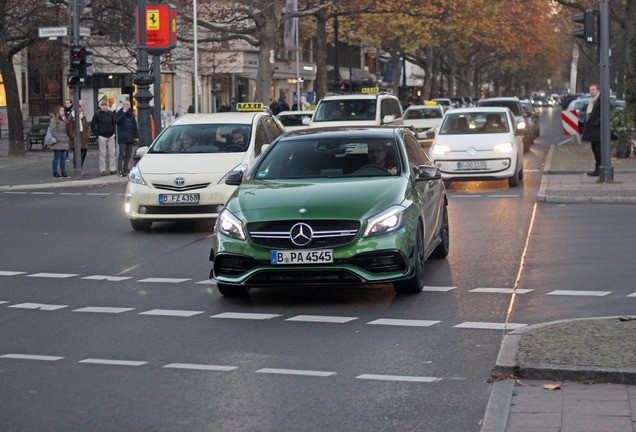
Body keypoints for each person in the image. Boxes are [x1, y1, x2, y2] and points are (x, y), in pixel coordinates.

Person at [92, 100, 117, 175]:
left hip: (110, 135)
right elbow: (93, 126)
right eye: (103, 105)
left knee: (112, 153)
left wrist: (113, 132)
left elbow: (114, 123)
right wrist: (97, 135)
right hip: (102, 136)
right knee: (103, 154)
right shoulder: (97, 114)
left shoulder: (111, 114)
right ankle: (102, 169)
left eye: (105, 105)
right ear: (100, 106)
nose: (104, 107)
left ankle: (113, 169)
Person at [115, 100, 139, 176]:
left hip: (130, 137)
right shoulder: (119, 113)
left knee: (128, 154)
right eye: (124, 104)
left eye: (127, 104)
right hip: (122, 137)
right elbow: (117, 121)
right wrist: (123, 113)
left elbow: (134, 126)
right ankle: (119, 170)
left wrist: (136, 136)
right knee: (121, 154)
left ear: (130, 106)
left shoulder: (131, 114)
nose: (125, 105)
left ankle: (126, 170)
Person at [66, 100, 90, 177]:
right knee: (77, 155)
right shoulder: (71, 117)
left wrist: (87, 135)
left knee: (83, 153)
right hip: (76, 138)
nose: (80, 110)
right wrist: (74, 137)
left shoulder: (83, 116)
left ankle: (81, 167)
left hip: (83, 138)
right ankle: (77, 169)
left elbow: (86, 126)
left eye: (81, 108)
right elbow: (69, 128)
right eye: (79, 108)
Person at [582, 83, 601, 177]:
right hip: (592, 129)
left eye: (593, 89)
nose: (591, 92)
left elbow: (603, 114)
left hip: (598, 130)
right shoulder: (592, 101)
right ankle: (597, 168)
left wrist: (596, 123)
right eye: (590, 90)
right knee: (594, 149)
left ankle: (599, 169)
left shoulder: (600, 100)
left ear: (598, 90)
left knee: (598, 149)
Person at [48, 106, 70, 179]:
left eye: (63, 110)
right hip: (58, 141)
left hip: (64, 140)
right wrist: (58, 138)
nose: (63, 112)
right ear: (58, 111)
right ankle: (55, 172)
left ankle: (63, 171)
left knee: (63, 157)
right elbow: (53, 130)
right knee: (57, 157)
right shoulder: (54, 119)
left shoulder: (64, 119)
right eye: (61, 110)